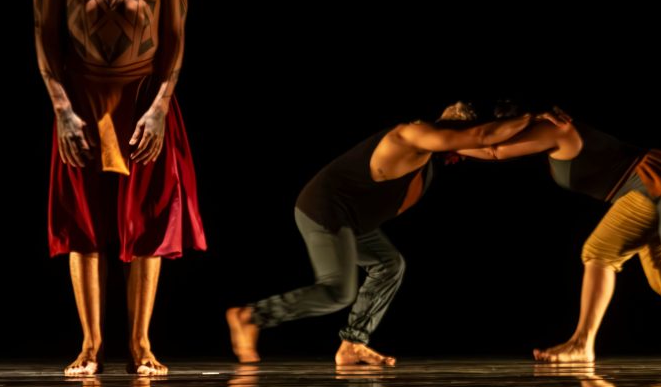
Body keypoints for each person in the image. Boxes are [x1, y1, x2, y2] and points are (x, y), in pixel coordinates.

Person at [33, 0, 207, 376]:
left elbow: (175, 34)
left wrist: (160, 107)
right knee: (83, 223)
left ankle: (140, 345)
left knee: (149, 221)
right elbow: (44, 30)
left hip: (144, 95)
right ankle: (90, 347)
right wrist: (62, 107)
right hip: (82, 95)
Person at [226, 102, 535, 366]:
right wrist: (530, 117)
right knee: (337, 291)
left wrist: (537, 131)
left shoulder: (429, 155)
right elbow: (483, 138)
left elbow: (491, 150)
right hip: (326, 211)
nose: (463, 158)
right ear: (456, 131)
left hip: (353, 221)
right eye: (462, 145)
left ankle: (353, 344)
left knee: (389, 264)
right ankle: (251, 316)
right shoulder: (413, 135)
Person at [458, 106, 661, 362]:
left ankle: (582, 343)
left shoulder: (551, 127)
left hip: (653, 186)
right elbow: (493, 146)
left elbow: (492, 150)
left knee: (599, 252)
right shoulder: (543, 134)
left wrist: (446, 144)